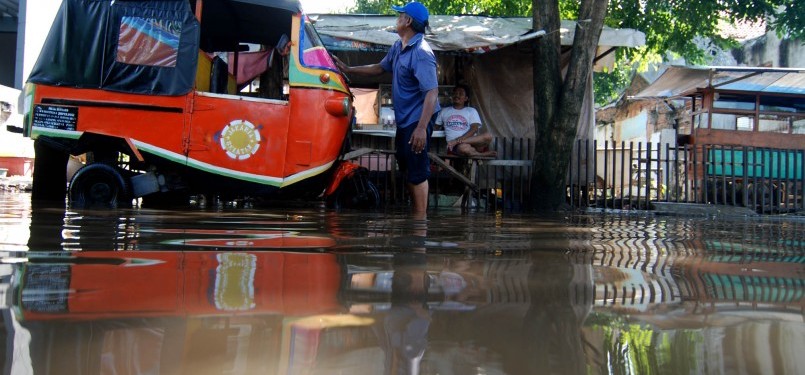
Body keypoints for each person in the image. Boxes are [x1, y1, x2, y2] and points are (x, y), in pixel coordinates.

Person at [334, 2, 439, 215]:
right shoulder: (398, 47)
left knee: (417, 171)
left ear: (408, 21)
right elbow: (379, 68)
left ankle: (420, 225)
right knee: (407, 166)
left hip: (418, 119)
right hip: (406, 120)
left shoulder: (421, 52)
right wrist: (348, 69)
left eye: (400, 15)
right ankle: (416, 219)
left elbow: (432, 92)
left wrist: (421, 128)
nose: (397, 18)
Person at [435, 84, 496, 157]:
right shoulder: (444, 111)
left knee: (488, 136)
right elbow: (435, 127)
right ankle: (480, 154)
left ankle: (459, 143)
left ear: (466, 98)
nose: (457, 95)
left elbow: (474, 128)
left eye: (460, 94)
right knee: (463, 148)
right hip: (456, 147)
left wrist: (458, 140)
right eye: (455, 93)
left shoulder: (471, 111)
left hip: (470, 142)